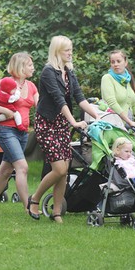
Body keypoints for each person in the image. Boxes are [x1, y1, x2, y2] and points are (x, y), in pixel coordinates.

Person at [28, 35, 100, 223]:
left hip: (61, 124)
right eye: (66, 50)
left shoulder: (69, 72)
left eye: (71, 50)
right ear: (57, 51)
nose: (70, 53)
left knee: (64, 170)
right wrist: (74, 122)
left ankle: (57, 211)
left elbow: (80, 97)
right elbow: (59, 99)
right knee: (59, 169)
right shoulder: (48, 72)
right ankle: (34, 199)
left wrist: (98, 116)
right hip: (47, 124)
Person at [0, 52, 38, 214]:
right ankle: (29, 207)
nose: (33, 68)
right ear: (20, 67)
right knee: (22, 167)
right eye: (29, 65)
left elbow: (40, 107)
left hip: (22, 133)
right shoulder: (4, 83)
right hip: (5, 130)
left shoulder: (32, 86)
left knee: (6, 170)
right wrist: (6, 111)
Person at [101, 50, 135, 130]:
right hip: (113, 126)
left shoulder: (127, 80)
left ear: (125, 63)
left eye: (118, 61)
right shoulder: (107, 78)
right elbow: (112, 103)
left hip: (128, 127)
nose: (116, 64)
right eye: (113, 62)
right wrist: (129, 122)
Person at [0, 77, 26, 141]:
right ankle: (19, 125)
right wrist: (17, 91)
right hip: (5, 115)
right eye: (13, 89)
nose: (14, 91)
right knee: (17, 114)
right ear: (9, 89)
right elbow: (16, 98)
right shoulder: (8, 97)